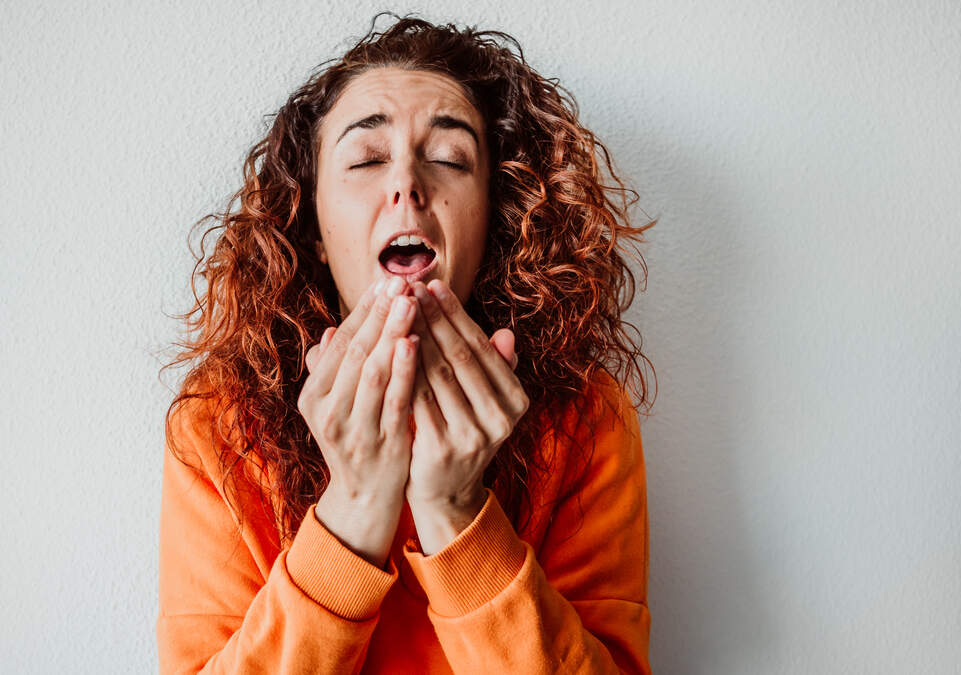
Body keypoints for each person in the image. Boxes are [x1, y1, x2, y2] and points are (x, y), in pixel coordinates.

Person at [157, 12, 657, 674]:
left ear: (494, 218)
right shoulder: (218, 426)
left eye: (449, 158)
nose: (407, 185)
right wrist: (354, 508)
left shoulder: (585, 417)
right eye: (367, 159)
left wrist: (457, 513)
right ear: (312, 227)